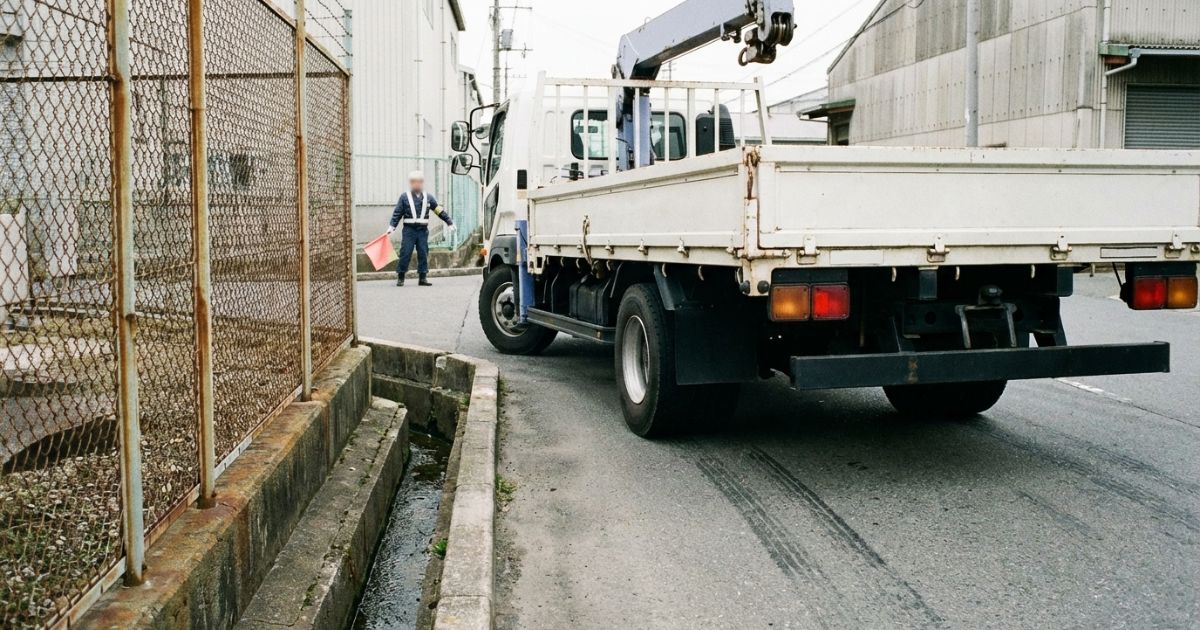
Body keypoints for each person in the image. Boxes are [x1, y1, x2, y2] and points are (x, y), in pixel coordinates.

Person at [388, 170, 455, 286]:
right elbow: (397, 213)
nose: (417, 184)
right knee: (405, 253)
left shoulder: (429, 197)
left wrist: (449, 222)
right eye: (414, 181)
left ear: (422, 183)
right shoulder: (404, 197)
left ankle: (422, 278)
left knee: (423, 253)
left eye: (419, 181)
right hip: (409, 231)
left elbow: (439, 210)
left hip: (422, 231)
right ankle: (401, 277)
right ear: (411, 183)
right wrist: (392, 226)